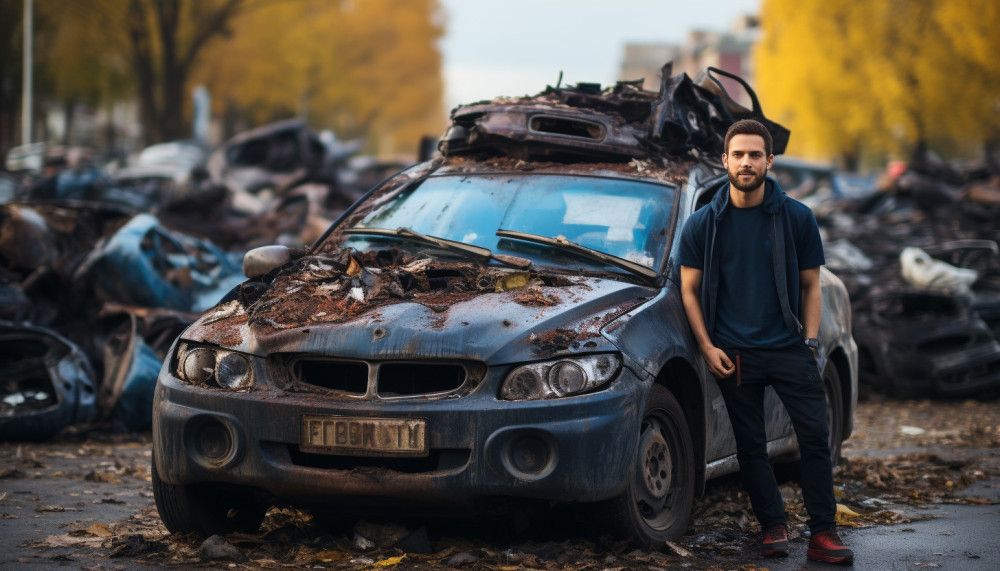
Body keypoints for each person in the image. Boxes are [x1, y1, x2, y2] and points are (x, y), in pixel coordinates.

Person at [677, 119, 854, 564]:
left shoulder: (797, 217)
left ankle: (823, 532)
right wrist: (706, 346)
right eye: (738, 155)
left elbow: (811, 287)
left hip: (790, 348)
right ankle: (772, 526)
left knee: (814, 438)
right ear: (725, 161)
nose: (746, 162)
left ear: (769, 161)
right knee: (751, 448)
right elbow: (688, 292)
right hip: (733, 353)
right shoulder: (702, 225)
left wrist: (811, 344)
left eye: (755, 155)